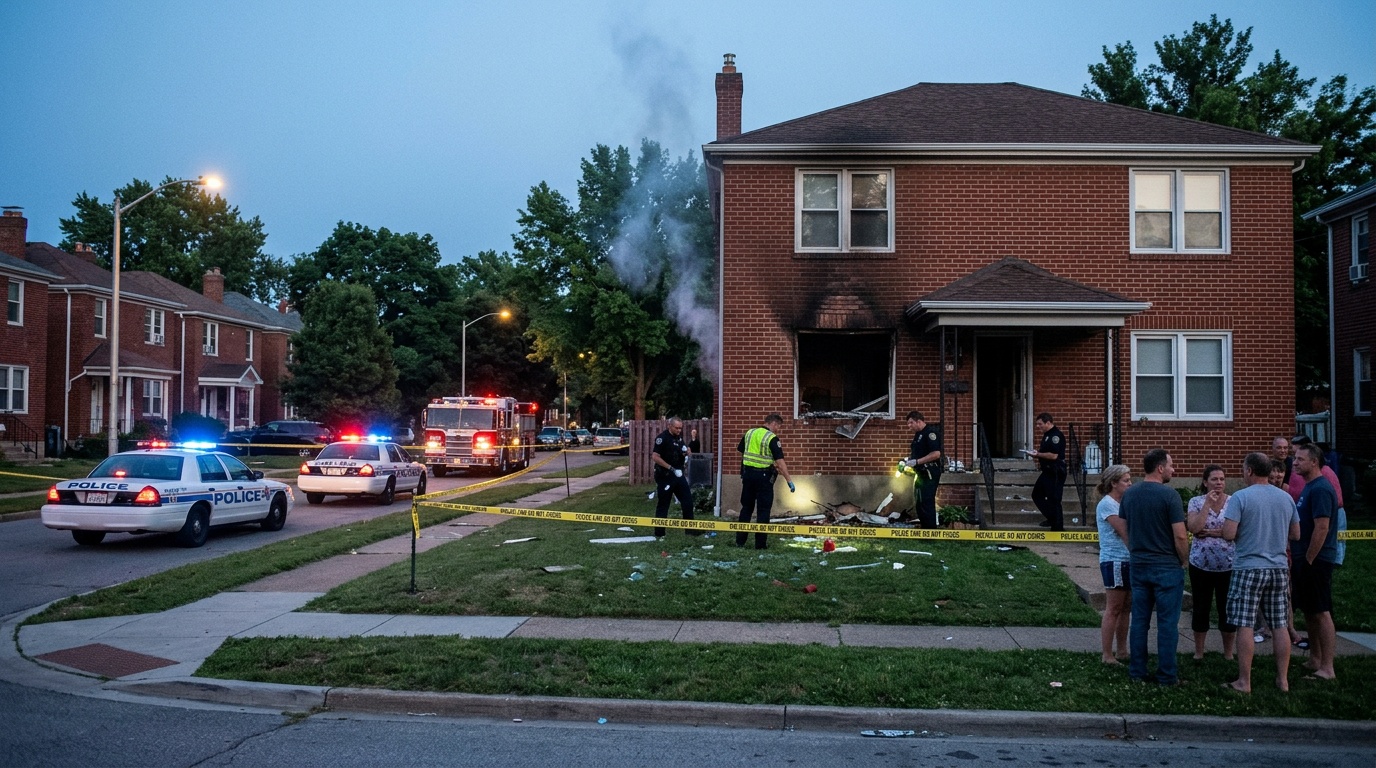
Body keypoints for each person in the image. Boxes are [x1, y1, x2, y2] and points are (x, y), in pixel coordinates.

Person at [1221, 452, 1301, 693]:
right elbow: (1296, 534)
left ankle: (1244, 681)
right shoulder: (1285, 498)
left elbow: (1228, 533)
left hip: (1248, 566)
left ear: (1249, 471)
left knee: (1245, 624)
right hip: (1278, 567)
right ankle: (1283, 680)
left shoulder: (1240, 497)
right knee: (1280, 625)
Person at [1120, 448, 1188, 686]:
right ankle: (1167, 675)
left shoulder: (1130, 494)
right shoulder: (1170, 496)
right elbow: (1180, 536)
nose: (1173, 469)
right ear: (1160, 468)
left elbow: (1126, 528)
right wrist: (1184, 559)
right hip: (1167, 566)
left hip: (1139, 565)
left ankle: (1137, 671)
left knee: (1139, 621)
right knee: (1167, 624)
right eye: (1170, 465)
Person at [1291, 443, 1340, 681]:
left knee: (1321, 611)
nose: (1295, 462)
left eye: (1300, 459)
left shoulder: (1321, 489)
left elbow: (1322, 527)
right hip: (1305, 559)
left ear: (1314, 462)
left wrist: (1309, 558)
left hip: (1317, 560)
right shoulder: (1310, 487)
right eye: (1295, 458)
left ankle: (1327, 668)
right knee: (1310, 611)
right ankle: (1315, 659)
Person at [1186, 464, 1236, 661]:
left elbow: (1235, 532)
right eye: (1214, 479)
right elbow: (1194, 528)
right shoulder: (1196, 502)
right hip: (1201, 564)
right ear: (1205, 482)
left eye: (1222, 479)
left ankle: (1228, 653)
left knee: (1227, 609)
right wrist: (1207, 504)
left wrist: (1212, 532)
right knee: (1201, 607)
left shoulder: (1233, 502)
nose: (1219, 483)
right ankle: (1199, 651)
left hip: (1228, 564)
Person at [736, 413, 795, 549]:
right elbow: (780, 462)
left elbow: (743, 452)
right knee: (763, 510)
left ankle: (740, 542)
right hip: (763, 479)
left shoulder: (750, 433)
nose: (778, 430)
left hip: (748, 476)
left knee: (746, 508)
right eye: (778, 426)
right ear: (774, 423)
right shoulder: (772, 438)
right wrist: (789, 480)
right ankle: (760, 544)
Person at [1095, 464, 1133, 665]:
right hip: (1114, 560)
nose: (1130, 484)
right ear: (1114, 483)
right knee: (1114, 608)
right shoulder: (1107, 504)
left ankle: (1122, 650)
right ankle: (1107, 654)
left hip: (1128, 560)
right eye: (1126, 480)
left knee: (1126, 607)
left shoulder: (1124, 503)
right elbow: (1125, 532)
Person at [650, 417, 697, 537]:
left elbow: (680, 452)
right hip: (665, 475)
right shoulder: (662, 438)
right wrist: (670, 468)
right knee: (664, 503)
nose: (679, 430)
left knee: (687, 501)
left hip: (678, 475)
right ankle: (660, 533)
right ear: (669, 426)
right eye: (676, 428)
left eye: (680, 428)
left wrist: (687, 452)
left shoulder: (679, 438)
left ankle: (690, 531)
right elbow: (655, 457)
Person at [902, 411, 942, 528]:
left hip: (929, 472)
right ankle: (924, 529)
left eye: (911, 423)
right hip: (920, 473)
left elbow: (936, 454)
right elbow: (918, 453)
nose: (909, 426)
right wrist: (908, 461)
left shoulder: (930, 433)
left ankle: (930, 532)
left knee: (927, 501)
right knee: (919, 502)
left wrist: (917, 462)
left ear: (919, 421)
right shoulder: (918, 434)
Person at [1026, 413, 1066, 531]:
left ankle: (1057, 527)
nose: (1038, 426)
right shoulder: (1047, 435)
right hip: (1047, 471)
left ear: (1048, 422)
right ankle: (1051, 518)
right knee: (1037, 494)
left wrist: (1037, 454)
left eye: (1040, 424)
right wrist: (1037, 453)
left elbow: (1054, 455)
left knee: (1054, 498)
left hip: (1055, 471)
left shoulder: (1055, 436)